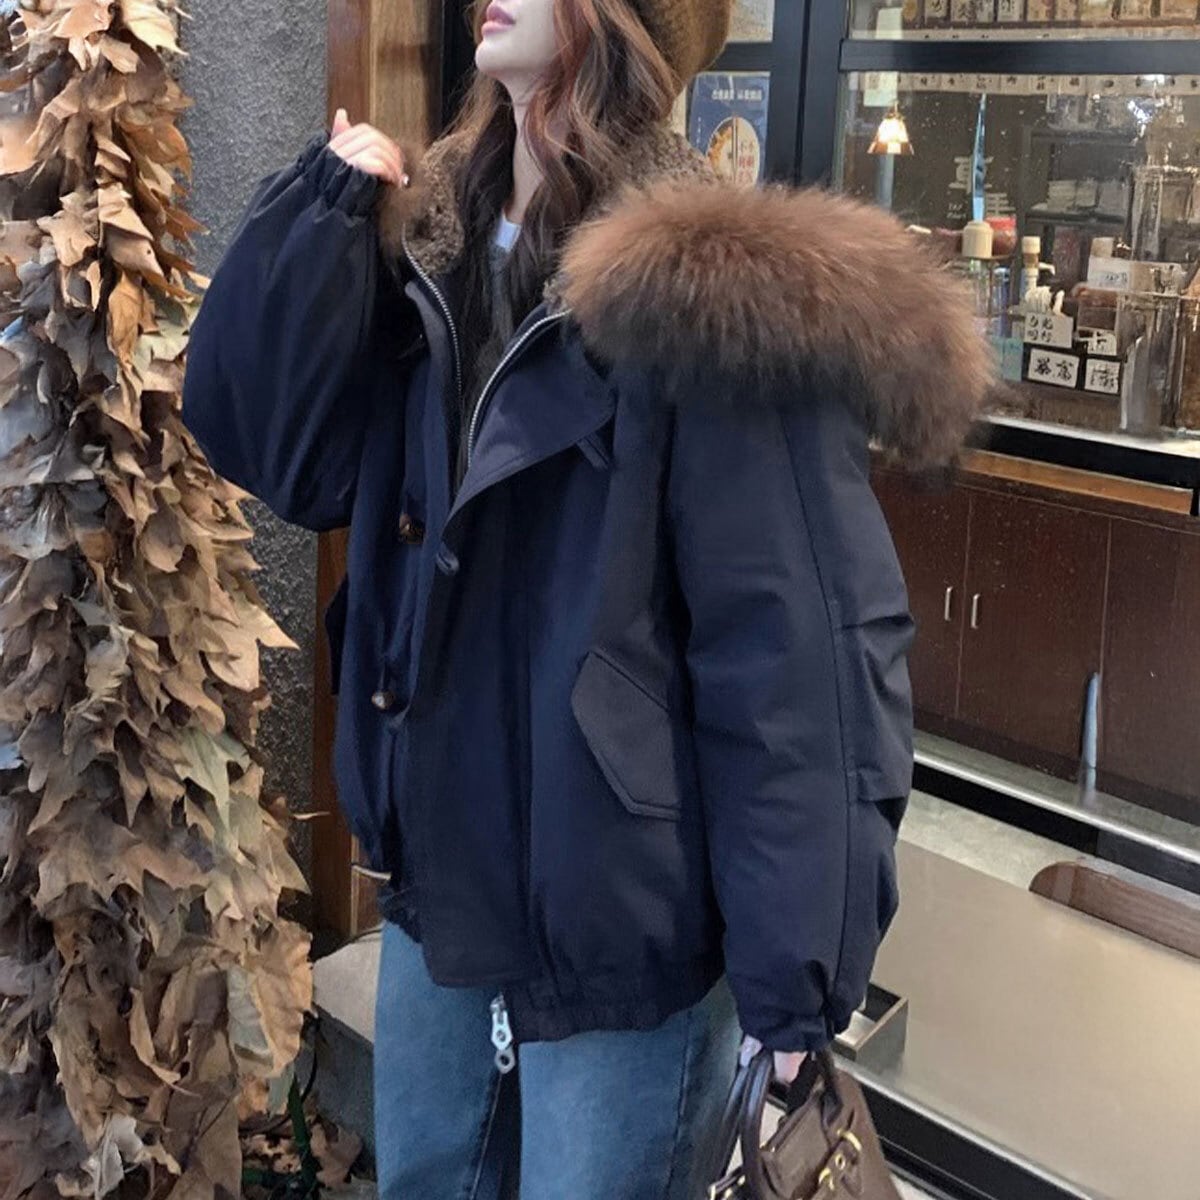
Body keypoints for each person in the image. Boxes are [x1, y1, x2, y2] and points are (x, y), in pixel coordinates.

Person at [182, 0, 991, 1195]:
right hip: (445, 891)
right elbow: (277, 452)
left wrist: (794, 980)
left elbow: (799, 646)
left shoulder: (716, 291)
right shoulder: (433, 241)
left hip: (624, 931)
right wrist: (323, 209)